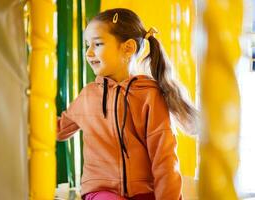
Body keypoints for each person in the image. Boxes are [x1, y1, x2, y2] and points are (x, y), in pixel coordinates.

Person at [57, 8, 197, 200]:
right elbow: (58, 129)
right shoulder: (87, 96)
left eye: (97, 44)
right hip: (101, 191)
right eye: (87, 45)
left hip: (144, 192)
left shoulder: (149, 95)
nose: (88, 53)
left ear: (128, 48)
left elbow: (164, 159)